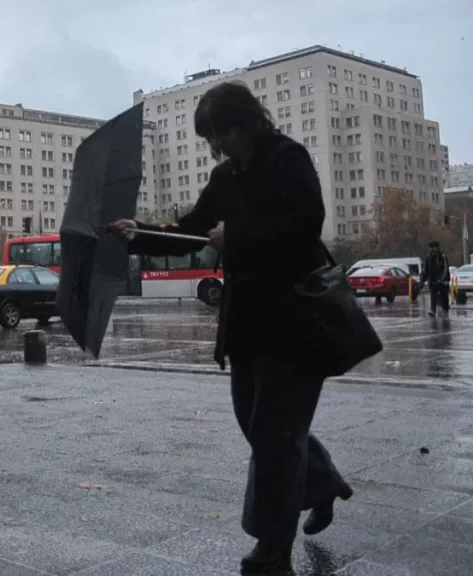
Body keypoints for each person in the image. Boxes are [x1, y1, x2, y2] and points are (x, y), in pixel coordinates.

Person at [108, 81, 352, 575]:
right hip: (247, 323)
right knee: (259, 425)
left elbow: (306, 226)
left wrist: (236, 236)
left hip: (296, 318)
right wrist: (139, 233)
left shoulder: (288, 158)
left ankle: (272, 549)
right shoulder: (225, 176)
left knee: (273, 434)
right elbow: (194, 229)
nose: (215, 147)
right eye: (211, 140)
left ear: (244, 124)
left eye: (219, 135)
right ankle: (321, 483)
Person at [420, 241, 450, 317]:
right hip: (433, 280)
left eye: (434, 247)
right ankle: (433, 310)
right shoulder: (428, 257)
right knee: (433, 296)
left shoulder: (442, 257)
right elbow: (425, 270)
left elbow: (445, 269)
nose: (432, 249)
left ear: (437, 248)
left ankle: (445, 309)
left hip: (443, 281)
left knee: (444, 296)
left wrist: (441, 279)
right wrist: (423, 280)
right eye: (430, 248)